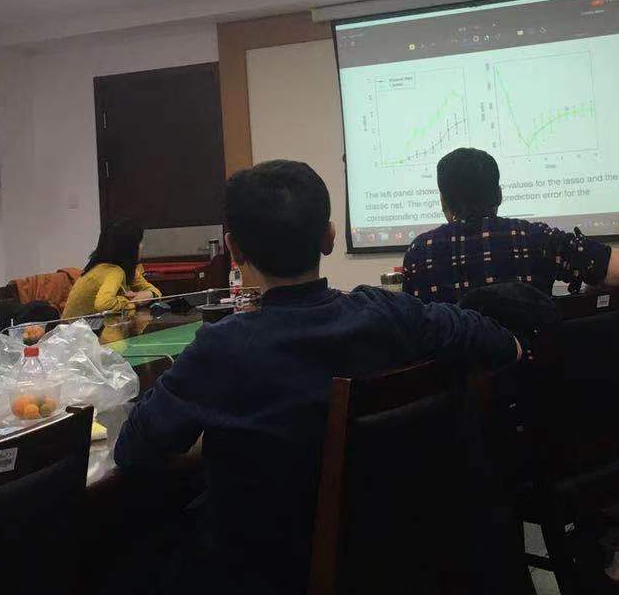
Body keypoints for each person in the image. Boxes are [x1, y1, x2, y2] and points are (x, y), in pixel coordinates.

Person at [114, 160, 519, 593]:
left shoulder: (221, 348)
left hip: (263, 571)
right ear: (329, 237)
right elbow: (505, 345)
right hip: (398, 557)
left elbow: (133, 449)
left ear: (233, 249)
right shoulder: (389, 313)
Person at [403, 147, 619, 304]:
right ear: (498, 194)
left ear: (443, 200)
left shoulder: (420, 252)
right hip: (533, 365)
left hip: (454, 368)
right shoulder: (537, 238)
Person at [63, 220, 162, 317]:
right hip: (75, 327)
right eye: (139, 242)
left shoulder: (126, 268)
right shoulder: (113, 271)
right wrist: (132, 302)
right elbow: (103, 304)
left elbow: (155, 291)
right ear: (129, 248)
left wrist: (150, 294)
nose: (142, 246)